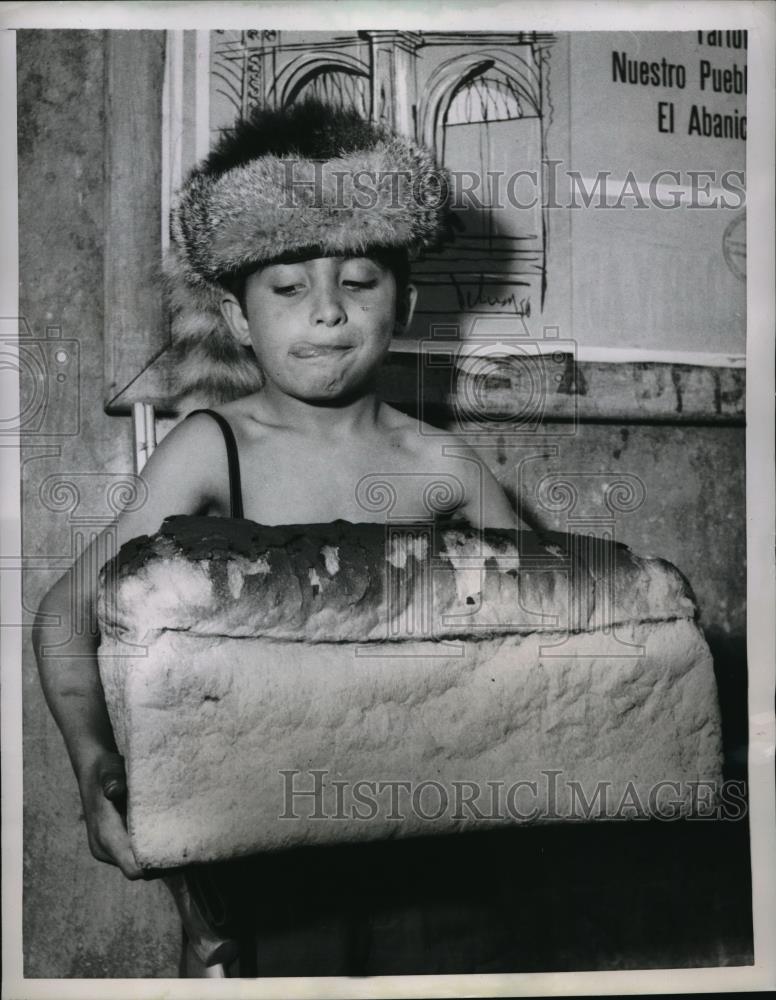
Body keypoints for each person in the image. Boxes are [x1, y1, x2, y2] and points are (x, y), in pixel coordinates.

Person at [33, 98, 517, 976]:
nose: (326, 313)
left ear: (403, 303)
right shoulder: (214, 446)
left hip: (434, 837)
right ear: (234, 314)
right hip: (261, 845)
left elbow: (562, 623)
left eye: (359, 282)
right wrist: (93, 761)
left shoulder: (441, 463)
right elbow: (68, 614)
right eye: (290, 287)